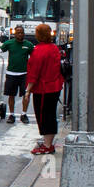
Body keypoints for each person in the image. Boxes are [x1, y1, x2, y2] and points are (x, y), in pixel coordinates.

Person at [25, 23, 64, 156]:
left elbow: (34, 73)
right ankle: (48, 142)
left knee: (43, 116)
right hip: (55, 85)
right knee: (50, 114)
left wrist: (28, 90)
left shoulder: (39, 51)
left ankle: (47, 145)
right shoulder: (54, 48)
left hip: (43, 88)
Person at [0, 24, 36, 125]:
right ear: (15, 33)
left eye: (22, 32)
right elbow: (0, 49)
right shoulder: (9, 43)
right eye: (18, 32)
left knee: (26, 95)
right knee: (11, 95)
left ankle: (24, 114)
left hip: (24, 74)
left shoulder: (28, 45)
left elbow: (35, 56)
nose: (20, 34)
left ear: (24, 33)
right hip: (11, 73)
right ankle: (12, 114)